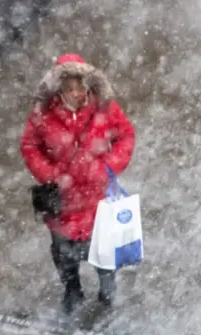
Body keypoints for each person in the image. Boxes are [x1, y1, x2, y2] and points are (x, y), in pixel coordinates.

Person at [20, 53, 135, 313]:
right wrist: (50, 175)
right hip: (63, 200)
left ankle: (108, 293)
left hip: (97, 198)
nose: (76, 93)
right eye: (69, 88)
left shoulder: (104, 108)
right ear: (57, 89)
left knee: (104, 252)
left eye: (80, 86)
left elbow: (126, 136)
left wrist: (107, 167)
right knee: (64, 253)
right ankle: (72, 289)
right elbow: (29, 146)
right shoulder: (43, 115)